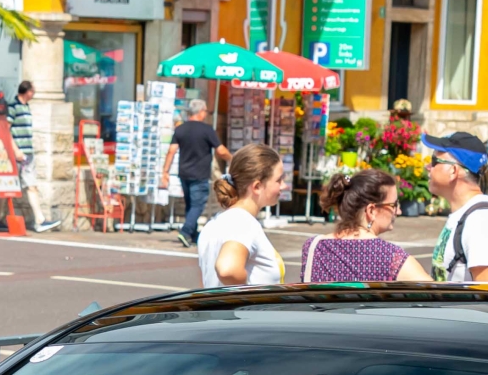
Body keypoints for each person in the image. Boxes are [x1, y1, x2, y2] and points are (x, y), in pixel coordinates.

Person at [301, 168, 431, 283]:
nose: (398, 211)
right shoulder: (391, 258)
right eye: (394, 205)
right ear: (371, 211)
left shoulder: (313, 247)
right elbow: (436, 296)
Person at [197, 144, 287, 286]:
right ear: (257, 186)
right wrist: (251, 296)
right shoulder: (242, 221)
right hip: (245, 308)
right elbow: (227, 269)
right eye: (278, 180)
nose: (284, 186)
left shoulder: (215, 223)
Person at [424, 132, 488, 283]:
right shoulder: (465, 214)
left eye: (434, 161)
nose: (427, 167)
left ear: (454, 171)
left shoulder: (482, 220)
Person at [161, 98, 225, 244]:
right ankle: (186, 231)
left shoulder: (180, 129)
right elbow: (220, 150)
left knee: (190, 204)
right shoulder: (207, 130)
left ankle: (193, 235)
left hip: (184, 173)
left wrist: (165, 172)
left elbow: (171, 151)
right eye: (206, 111)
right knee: (197, 204)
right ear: (201, 112)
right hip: (200, 174)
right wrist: (232, 158)